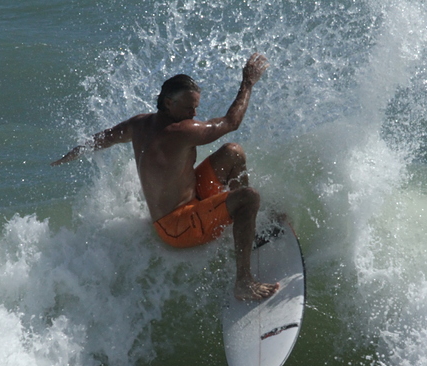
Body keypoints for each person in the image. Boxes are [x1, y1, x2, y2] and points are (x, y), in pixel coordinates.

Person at [52, 53, 279, 301]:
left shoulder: (138, 124)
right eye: (188, 108)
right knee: (248, 198)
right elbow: (231, 122)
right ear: (168, 103)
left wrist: (67, 156)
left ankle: (248, 228)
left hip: (192, 198)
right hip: (177, 227)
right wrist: (247, 83)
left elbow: (102, 139)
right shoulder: (181, 131)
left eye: (196, 107)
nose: (194, 113)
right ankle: (243, 282)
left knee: (232, 152)